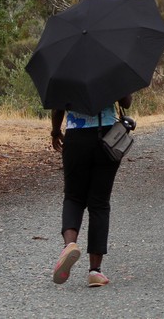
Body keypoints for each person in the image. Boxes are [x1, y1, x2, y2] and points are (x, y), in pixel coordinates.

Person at [49, 95, 132, 287]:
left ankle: (69, 245)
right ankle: (95, 271)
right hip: (107, 137)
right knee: (99, 203)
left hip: (76, 138)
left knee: (73, 196)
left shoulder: (65, 67)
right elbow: (126, 102)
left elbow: (57, 107)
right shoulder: (112, 66)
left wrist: (55, 132)